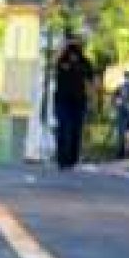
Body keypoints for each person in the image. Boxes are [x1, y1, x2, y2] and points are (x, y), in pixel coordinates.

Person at [52, 37, 95, 170]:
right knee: (64, 128)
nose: (74, 49)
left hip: (79, 101)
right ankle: (61, 158)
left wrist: (92, 99)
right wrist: (64, 45)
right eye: (72, 45)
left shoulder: (85, 62)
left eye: (77, 45)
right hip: (62, 100)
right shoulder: (61, 60)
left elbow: (91, 80)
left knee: (76, 130)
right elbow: (54, 61)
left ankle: (72, 159)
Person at [111, 70, 129, 159]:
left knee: (126, 131)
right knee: (123, 131)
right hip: (124, 110)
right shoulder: (122, 87)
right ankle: (122, 151)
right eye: (127, 77)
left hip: (128, 110)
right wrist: (117, 102)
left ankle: (125, 151)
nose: (127, 79)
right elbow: (115, 97)